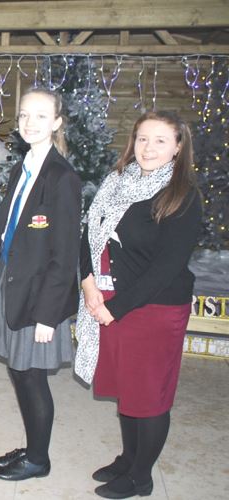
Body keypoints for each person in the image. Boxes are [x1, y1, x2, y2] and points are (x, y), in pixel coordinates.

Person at [75, 111, 201, 499]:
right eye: (143, 138)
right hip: (111, 301)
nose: (148, 148)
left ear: (178, 147)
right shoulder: (118, 182)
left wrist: (116, 307)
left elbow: (167, 266)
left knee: (149, 396)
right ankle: (129, 458)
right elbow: (89, 230)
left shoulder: (181, 195)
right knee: (127, 389)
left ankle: (141, 477)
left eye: (161, 140)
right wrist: (88, 283)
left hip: (153, 309)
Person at [0, 88, 82, 481]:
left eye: (40, 116)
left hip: (39, 295)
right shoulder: (27, 164)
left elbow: (64, 252)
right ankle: (33, 445)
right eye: (24, 115)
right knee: (18, 372)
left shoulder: (61, 176)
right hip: (13, 281)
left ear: (57, 122)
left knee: (32, 375)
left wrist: (48, 315)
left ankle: (39, 459)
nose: (29, 123)